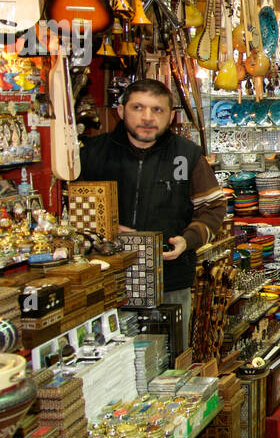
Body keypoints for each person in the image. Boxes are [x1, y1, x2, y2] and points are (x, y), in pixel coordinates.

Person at [79, 79, 226, 350]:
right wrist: (101, 233)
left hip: (168, 278)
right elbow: (73, 210)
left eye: (157, 110)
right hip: (106, 281)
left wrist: (188, 239)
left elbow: (213, 207)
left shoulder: (186, 155)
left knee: (168, 365)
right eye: (138, 107)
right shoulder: (92, 154)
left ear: (170, 116)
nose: (147, 118)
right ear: (121, 111)